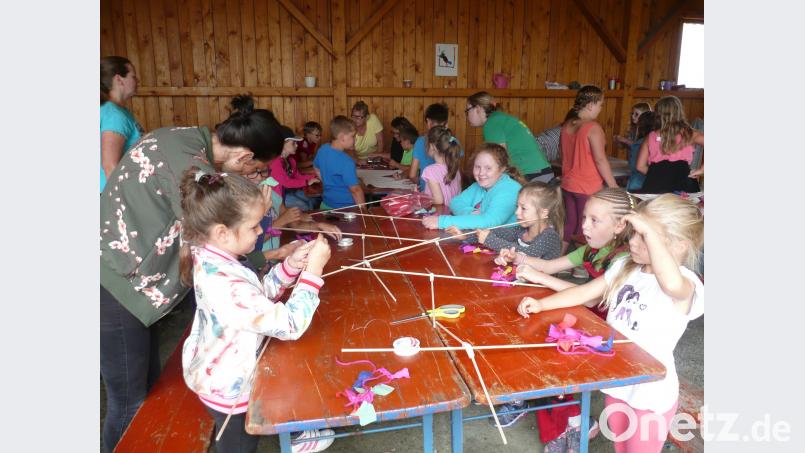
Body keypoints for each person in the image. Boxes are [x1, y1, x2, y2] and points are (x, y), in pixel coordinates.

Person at [99, 95, 285, 452]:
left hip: (134, 281)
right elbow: (218, 245)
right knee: (130, 401)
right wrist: (270, 253)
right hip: (115, 283)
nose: (251, 177)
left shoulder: (184, 139)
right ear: (245, 157)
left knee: (147, 391)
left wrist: (270, 256)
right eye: (255, 171)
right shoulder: (193, 166)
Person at [517, 194, 704, 453]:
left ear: (679, 245)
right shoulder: (627, 268)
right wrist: (542, 304)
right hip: (617, 384)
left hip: (649, 394)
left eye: (643, 236)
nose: (633, 241)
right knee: (621, 445)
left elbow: (670, 283)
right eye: (634, 234)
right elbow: (585, 293)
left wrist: (649, 231)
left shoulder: (685, 282)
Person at [179, 169, 335, 453]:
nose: (262, 231)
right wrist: (313, 271)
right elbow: (290, 325)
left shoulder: (217, 258)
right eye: (254, 227)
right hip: (230, 388)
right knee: (238, 446)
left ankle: (296, 432)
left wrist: (290, 267)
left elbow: (256, 296)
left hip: (220, 370)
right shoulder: (223, 282)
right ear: (222, 233)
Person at [498, 188, 634, 319]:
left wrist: (538, 277)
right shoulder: (590, 250)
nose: (584, 226)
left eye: (594, 220)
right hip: (586, 314)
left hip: (604, 324)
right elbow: (548, 266)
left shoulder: (623, 259)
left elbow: (590, 299)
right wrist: (518, 257)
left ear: (619, 226)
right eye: (584, 218)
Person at [559, 85, 618, 252]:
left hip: (569, 184)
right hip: (587, 186)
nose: (600, 109)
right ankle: (579, 267)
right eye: (600, 105)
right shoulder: (593, 128)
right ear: (591, 105)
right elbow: (600, 159)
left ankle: (557, 260)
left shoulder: (567, 126)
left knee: (571, 223)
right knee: (587, 226)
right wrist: (613, 185)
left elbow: (562, 154)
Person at [422, 143, 523, 231]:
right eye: (477, 167)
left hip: (508, 246)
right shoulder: (478, 186)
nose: (481, 173)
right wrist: (471, 212)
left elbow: (489, 222)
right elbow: (455, 202)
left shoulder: (510, 190)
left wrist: (441, 222)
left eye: (488, 168)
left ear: (502, 169)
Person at [466, 91, 553, 182]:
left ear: (478, 108)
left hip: (530, 174)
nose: (467, 115)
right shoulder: (501, 118)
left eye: (467, 110)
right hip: (542, 171)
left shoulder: (492, 123)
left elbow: (498, 159)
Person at [476, 180, 563, 260]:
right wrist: (467, 235)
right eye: (517, 207)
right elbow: (498, 232)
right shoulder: (521, 230)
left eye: (523, 208)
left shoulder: (550, 236)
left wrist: (490, 240)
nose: (517, 212)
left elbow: (528, 253)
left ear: (543, 213)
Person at [636, 96, 704, 194]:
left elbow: (640, 166)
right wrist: (701, 170)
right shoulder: (690, 134)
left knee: (654, 209)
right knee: (684, 209)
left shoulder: (650, 136)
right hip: (683, 182)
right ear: (680, 112)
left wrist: (656, 176)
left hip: (656, 183)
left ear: (658, 114)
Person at [100, 56, 143, 192]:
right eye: (133, 77)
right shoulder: (115, 115)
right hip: (111, 194)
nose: (137, 80)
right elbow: (110, 166)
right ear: (119, 80)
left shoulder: (113, 110)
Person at [313, 115, 365, 209]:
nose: (355, 139)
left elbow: (316, 167)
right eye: (352, 136)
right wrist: (364, 214)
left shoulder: (322, 149)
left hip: (325, 205)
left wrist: (327, 182)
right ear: (342, 137)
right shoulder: (347, 161)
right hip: (346, 210)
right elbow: (356, 190)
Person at [269, 126, 320, 211]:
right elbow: (286, 182)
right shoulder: (275, 162)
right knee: (304, 207)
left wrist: (314, 177)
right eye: (293, 143)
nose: (296, 145)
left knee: (313, 200)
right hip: (277, 196)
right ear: (281, 145)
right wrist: (307, 182)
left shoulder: (290, 160)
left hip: (288, 191)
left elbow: (297, 176)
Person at [409, 103, 458, 190]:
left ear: (428, 122)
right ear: (446, 124)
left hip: (429, 196)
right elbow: (457, 171)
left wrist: (422, 185)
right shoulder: (453, 141)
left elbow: (412, 175)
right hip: (451, 195)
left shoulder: (420, 141)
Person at [421, 125, 462, 206]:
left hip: (438, 216)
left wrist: (421, 198)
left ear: (432, 146)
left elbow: (438, 200)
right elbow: (459, 195)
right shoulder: (455, 168)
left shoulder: (430, 171)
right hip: (453, 215)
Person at [626, 111, 656, 192]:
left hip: (637, 184)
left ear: (641, 126)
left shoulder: (641, 143)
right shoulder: (660, 142)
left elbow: (634, 165)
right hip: (650, 184)